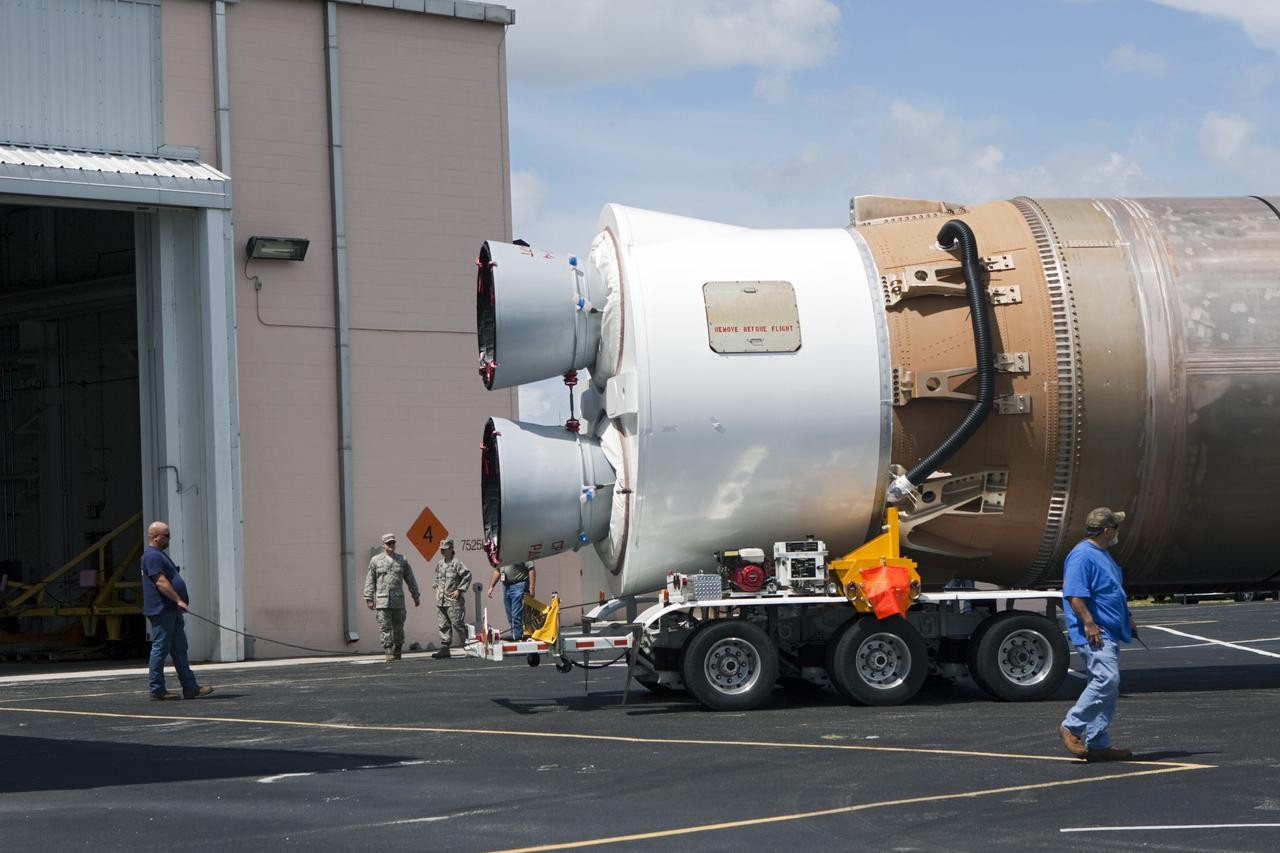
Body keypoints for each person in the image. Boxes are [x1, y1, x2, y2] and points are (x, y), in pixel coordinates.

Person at [1057, 507, 1137, 762]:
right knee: (1107, 679)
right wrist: (1089, 624)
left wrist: (1129, 619)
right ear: (1106, 530)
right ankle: (1071, 726)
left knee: (1109, 688)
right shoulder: (1082, 556)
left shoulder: (1102, 554)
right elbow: (1074, 595)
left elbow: (1111, 591)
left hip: (1110, 631)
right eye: (1116, 528)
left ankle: (1098, 742)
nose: (1117, 533)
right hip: (1096, 633)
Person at [141, 520, 213, 701]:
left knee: (180, 648)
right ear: (155, 536)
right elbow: (160, 581)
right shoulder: (152, 556)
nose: (169, 539)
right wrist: (178, 600)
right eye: (167, 536)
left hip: (170, 609)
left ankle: (190, 687)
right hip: (162, 609)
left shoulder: (159, 555)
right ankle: (157, 689)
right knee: (160, 648)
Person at [363, 533, 420, 662]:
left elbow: (410, 579)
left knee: (398, 627)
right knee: (385, 627)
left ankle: (398, 650)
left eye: (393, 542)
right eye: (389, 543)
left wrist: (415, 595)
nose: (392, 545)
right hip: (382, 601)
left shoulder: (402, 560)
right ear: (383, 545)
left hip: (398, 601)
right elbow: (370, 580)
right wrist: (369, 598)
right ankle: (388, 652)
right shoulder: (375, 561)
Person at [431, 539, 471, 659]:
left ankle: (469, 645)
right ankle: (445, 649)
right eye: (441, 549)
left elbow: (467, 576)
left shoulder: (457, 563)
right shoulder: (440, 564)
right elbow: (436, 579)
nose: (443, 551)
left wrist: (459, 590)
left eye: (445, 549)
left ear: (451, 549)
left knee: (457, 624)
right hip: (442, 601)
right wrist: (437, 590)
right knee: (443, 625)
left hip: (454, 601)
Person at [486, 560, 535, 640]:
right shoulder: (501, 555)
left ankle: (517, 636)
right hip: (506, 587)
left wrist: (531, 587)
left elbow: (531, 569)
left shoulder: (521, 551)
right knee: (510, 614)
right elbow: (497, 571)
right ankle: (515, 634)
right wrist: (491, 586)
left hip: (519, 584)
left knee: (516, 614)